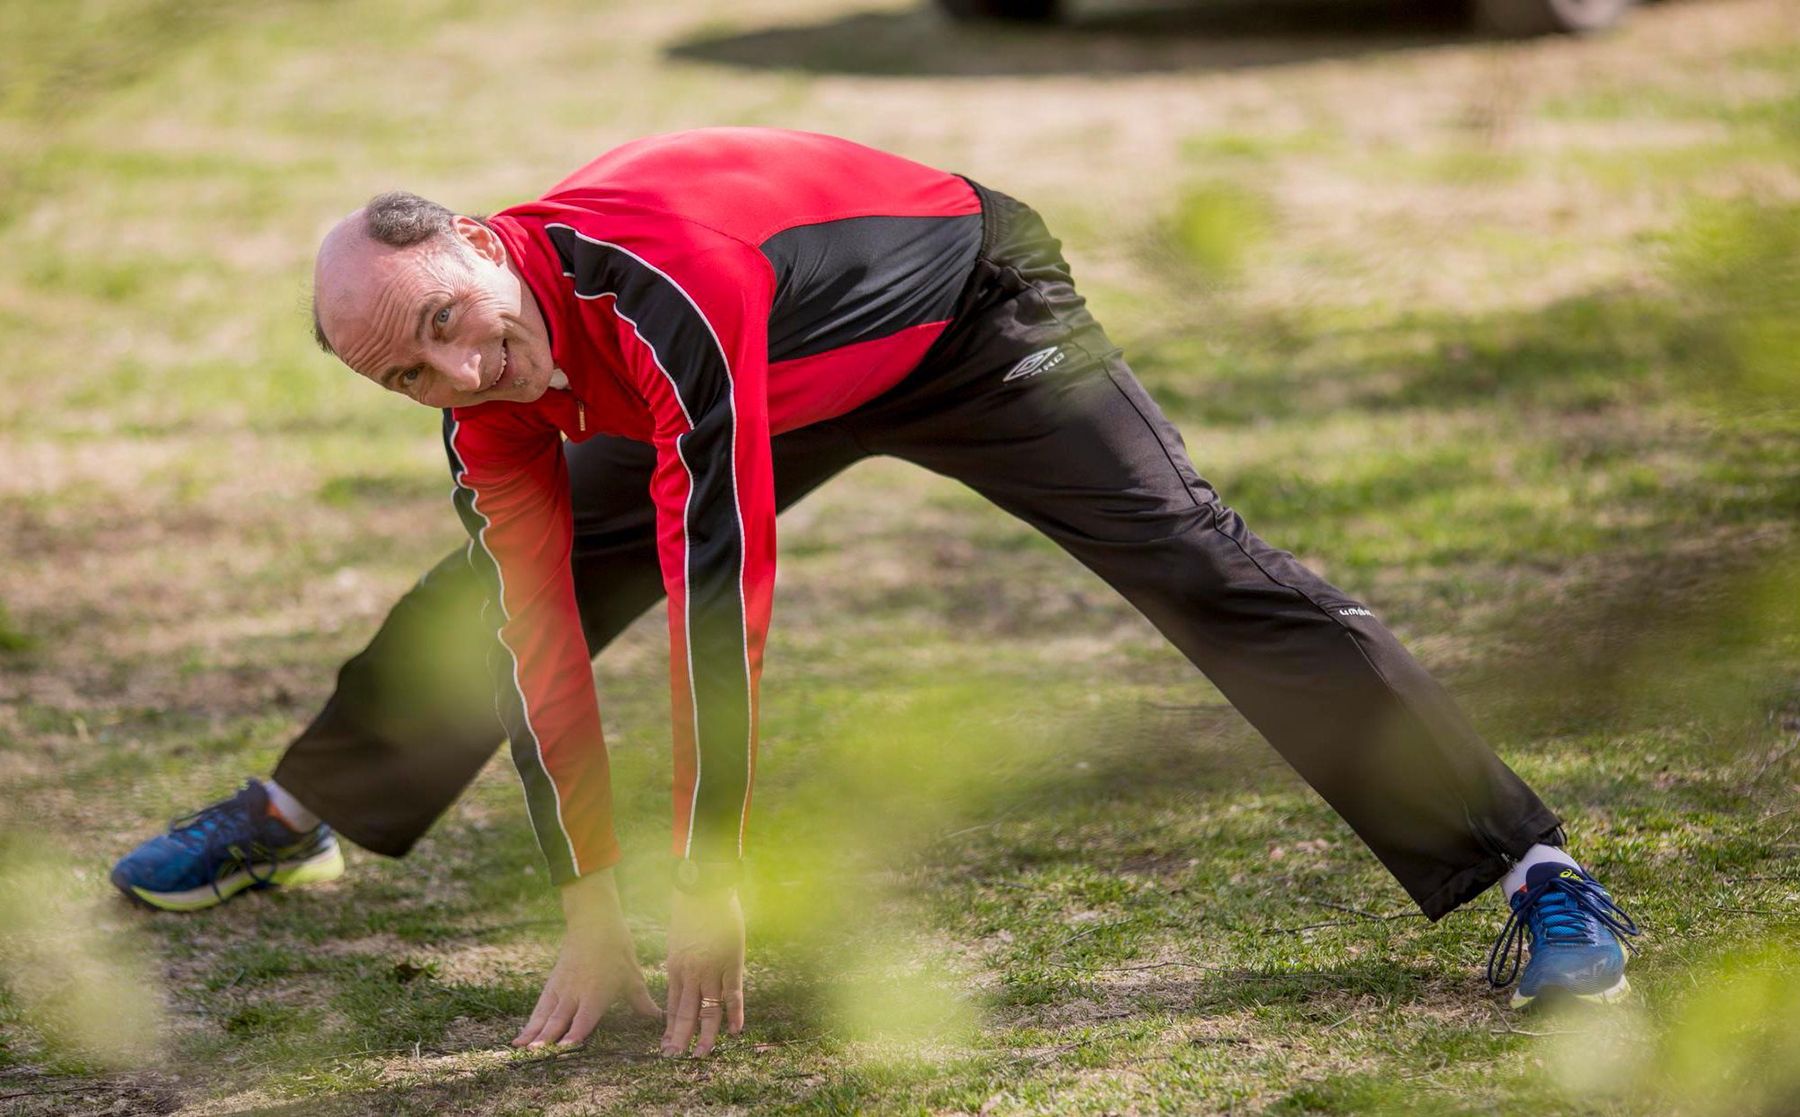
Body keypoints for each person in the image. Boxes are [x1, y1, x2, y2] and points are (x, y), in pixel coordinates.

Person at [111, 128, 1640, 1057]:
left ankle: (1536, 872)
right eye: (410, 373)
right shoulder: (488, 402)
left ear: (471, 239)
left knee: (1204, 564)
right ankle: (302, 811)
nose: (460, 370)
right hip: (751, 379)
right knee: (485, 602)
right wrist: (589, 901)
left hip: (963, 318)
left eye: (451, 319)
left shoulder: (652, 287)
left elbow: (721, 610)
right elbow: (534, 640)